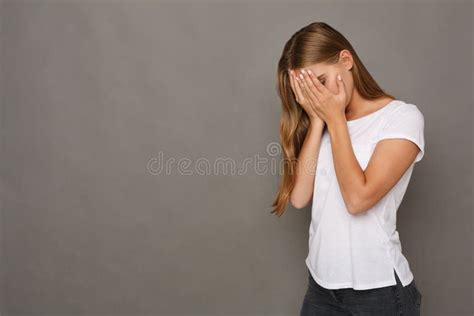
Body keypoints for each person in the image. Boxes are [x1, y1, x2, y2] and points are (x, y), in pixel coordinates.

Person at [271, 22, 424, 315]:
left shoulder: (401, 118)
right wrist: (318, 120)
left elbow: (358, 200)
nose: (318, 95)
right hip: (320, 287)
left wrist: (334, 119)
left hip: (378, 292)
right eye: (308, 88)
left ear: (346, 60)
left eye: (321, 81)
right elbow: (300, 197)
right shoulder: (325, 123)